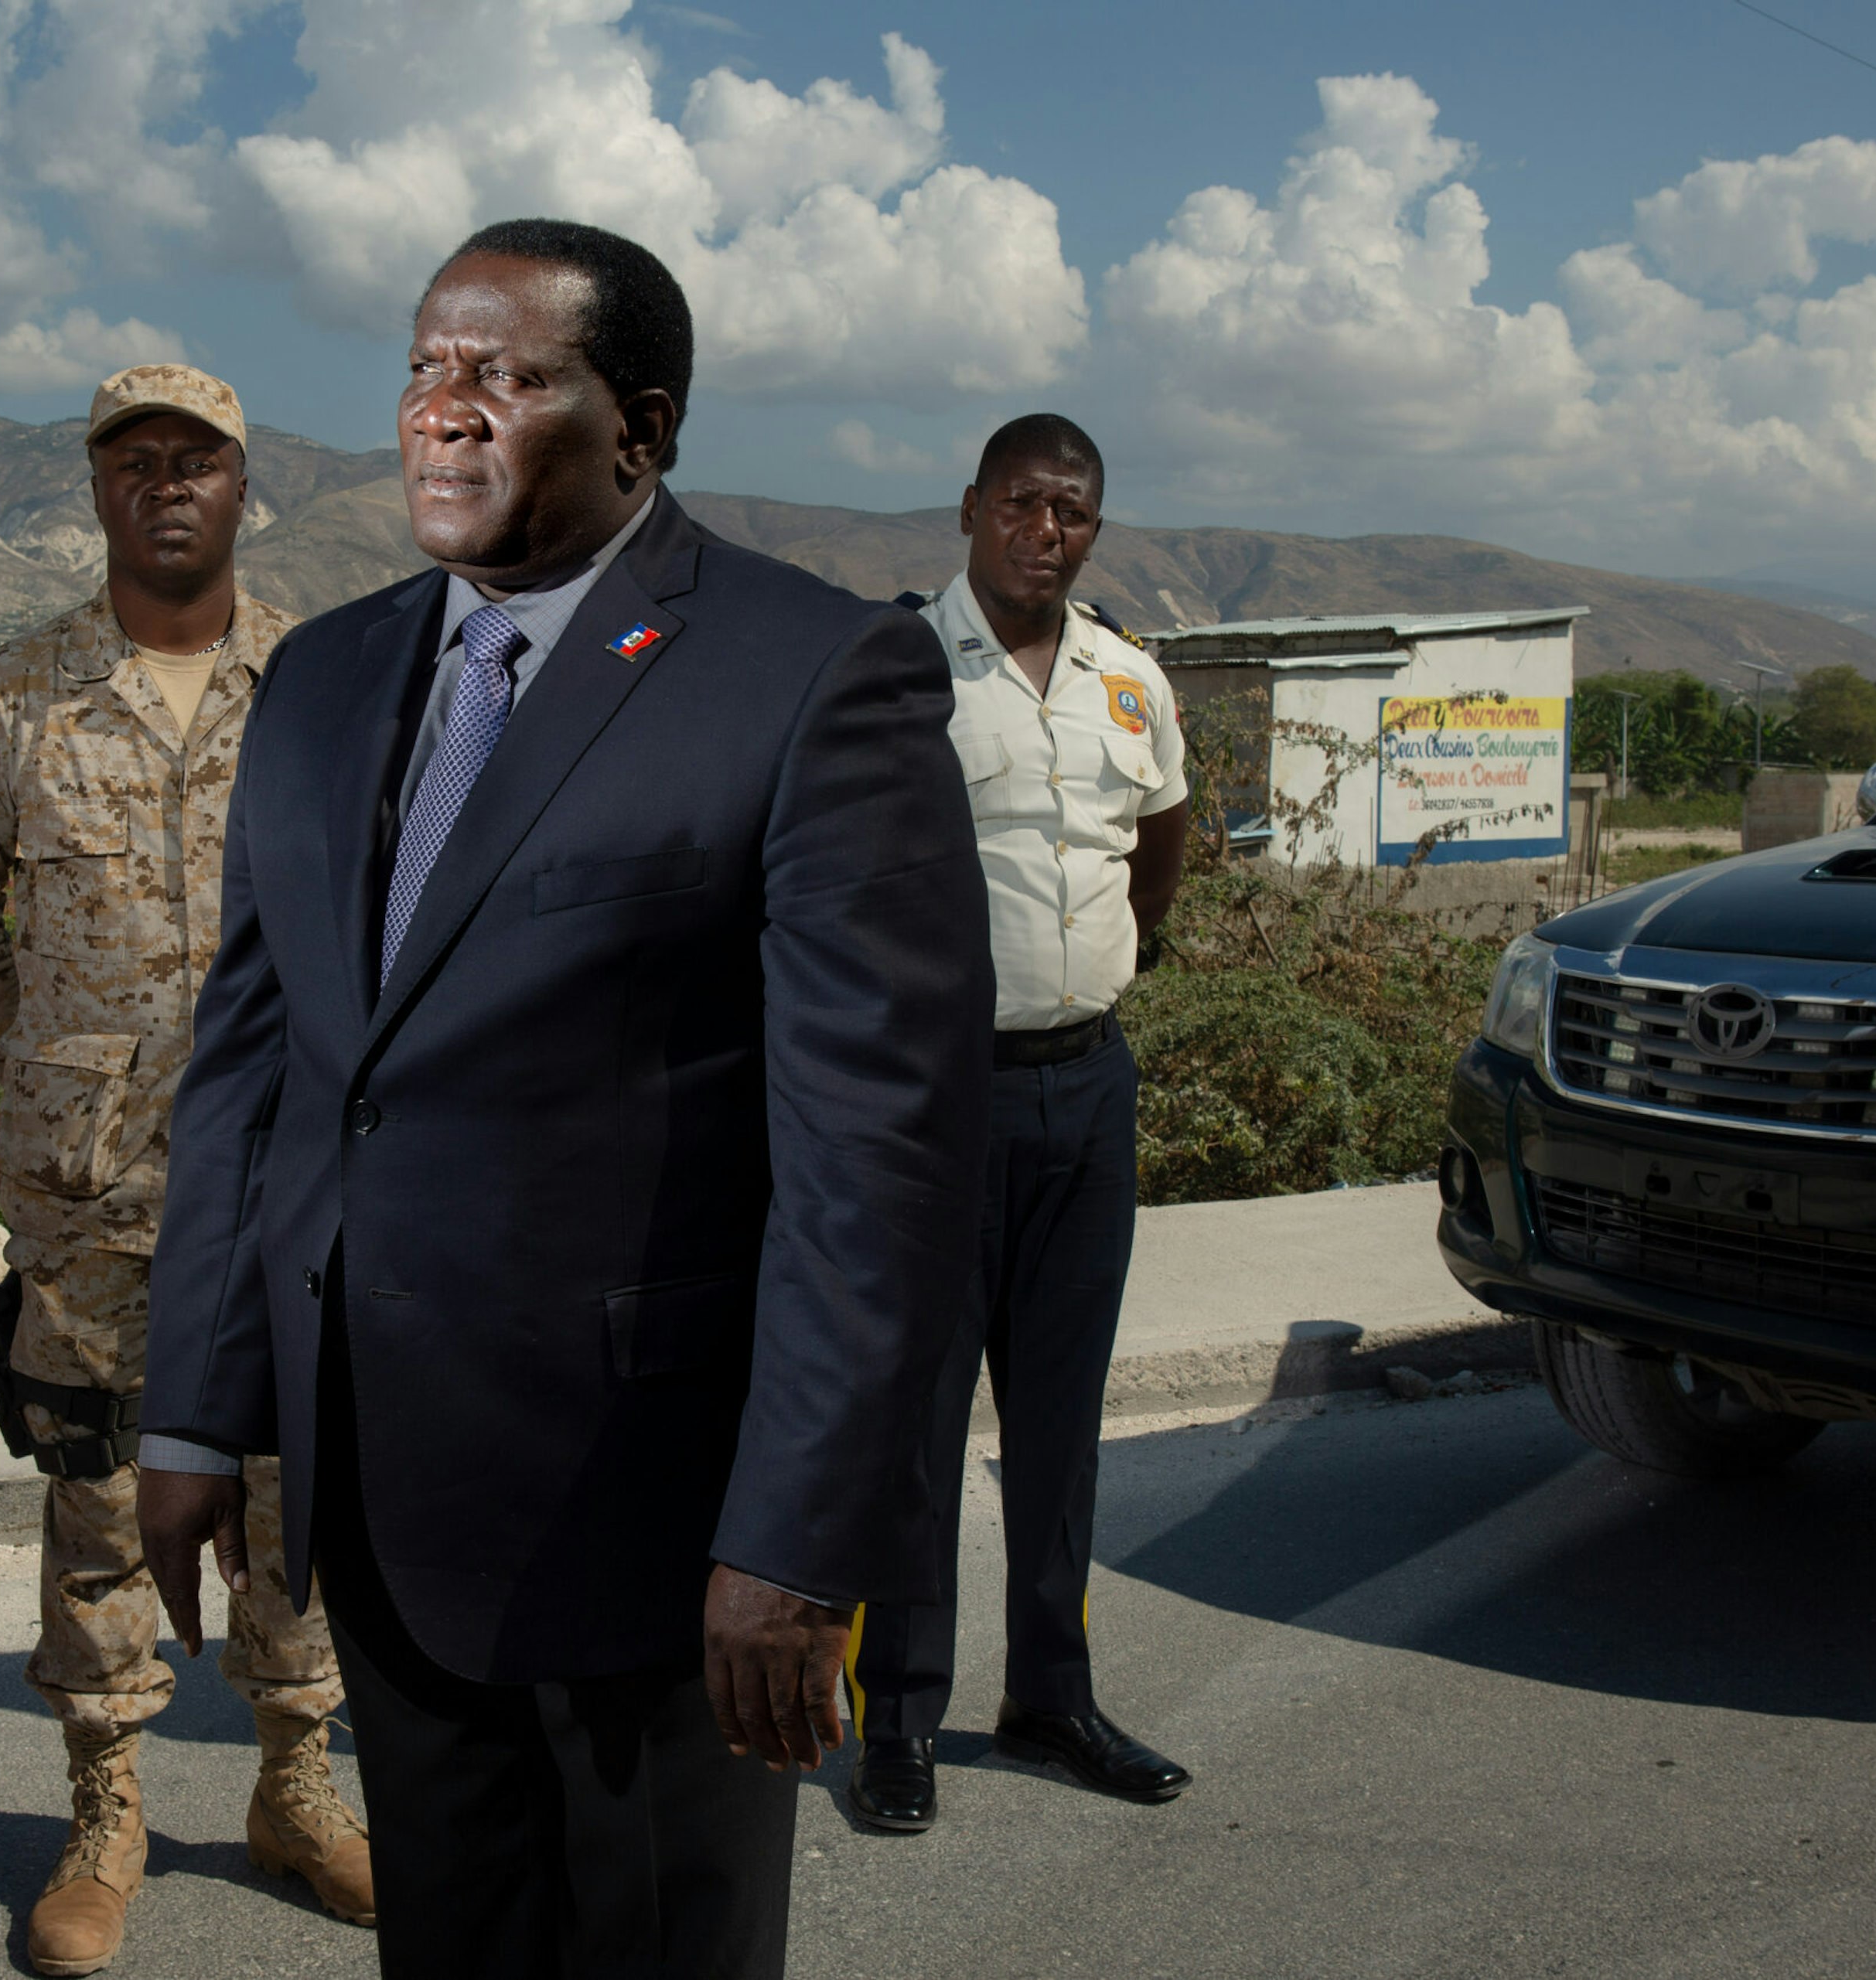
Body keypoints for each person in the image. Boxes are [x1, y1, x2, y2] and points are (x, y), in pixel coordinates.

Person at [135, 219, 992, 1979]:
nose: (446, 414)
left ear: (641, 428)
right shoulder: (323, 680)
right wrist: (194, 1413)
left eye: (509, 377)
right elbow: (259, 1072)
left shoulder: (813, 675)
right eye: (425, 369)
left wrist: (796, 1538)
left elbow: (878, 1157)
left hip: (660, 1539)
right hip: (384, 1506)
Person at [0, 363, 373, 1978]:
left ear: (246, 486)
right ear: (98, 490)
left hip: (295, 1170)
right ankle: (107, 1815)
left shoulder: (329, 684)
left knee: (295, 1484)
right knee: (99, 1489)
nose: (168, 484)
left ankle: (297, 1790)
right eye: (135, 461)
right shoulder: (14, 695)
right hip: (92, 1186)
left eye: (200, 461)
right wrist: (51, 1068)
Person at [843, 413, 1196, 1835]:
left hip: (1087, 1089)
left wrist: (1118, 955)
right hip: (942, 1098)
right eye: (1025, 506)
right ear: (973, 507)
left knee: (1062, 1418)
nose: (1046, 533)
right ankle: (899, 1715)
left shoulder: (1131, 677)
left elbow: (1161, 840)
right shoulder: (900, 667)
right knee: (919, 1421)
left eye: (1073, 515)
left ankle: (1051, 1691)